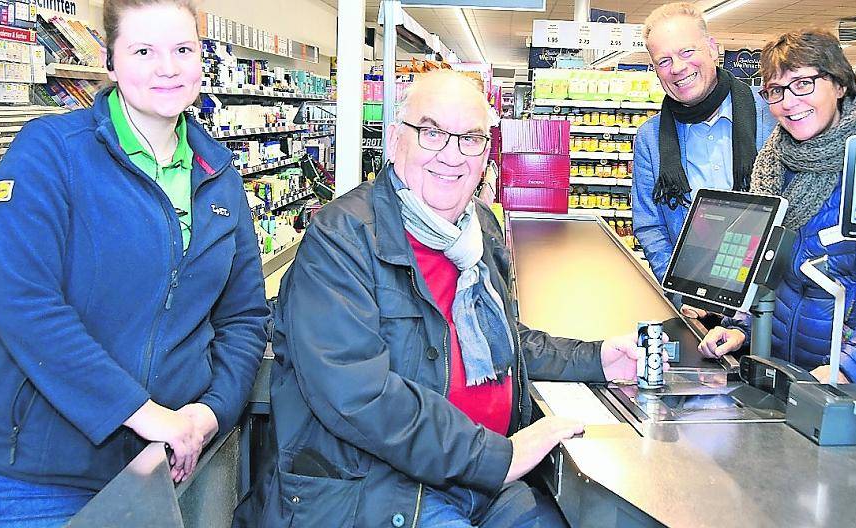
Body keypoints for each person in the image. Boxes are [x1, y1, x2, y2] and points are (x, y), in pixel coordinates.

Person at [250, 70, 655, 528]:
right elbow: (357, 393)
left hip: (479, 481)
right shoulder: (342, 237)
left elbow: (501, 338)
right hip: (385, 490)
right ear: (394, 138)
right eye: (433, 133)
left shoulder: (479, 226)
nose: (452, 155)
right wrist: (497, 456)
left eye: (471, 139)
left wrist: (598, 359)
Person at [0, 0, 268, 525]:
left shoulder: (217, 173)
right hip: (35, 482)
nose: (168, 68)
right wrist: (148, 416)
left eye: (183, 49)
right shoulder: (50, 154)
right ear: (110, 62)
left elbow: (243, 317)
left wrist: (207, 414)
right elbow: (26, 307)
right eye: (143, 51)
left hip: (164, 470)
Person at [698, 29, 856, 383]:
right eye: (776, 90)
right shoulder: (775, 161)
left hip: (848, 382)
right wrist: (740, 327)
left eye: (803, 83)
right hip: (779, 369)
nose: (789, 102)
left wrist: (849, 367)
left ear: (839, 84)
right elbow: (770, 268)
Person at [632, 2, 776, 287]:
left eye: (687, 51)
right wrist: (680, 287)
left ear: (712, 48)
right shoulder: (650, 138)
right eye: (664, 61)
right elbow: (650, 225)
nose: (677, 68)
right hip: (693, 294)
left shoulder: (771, 117)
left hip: (768, 296)